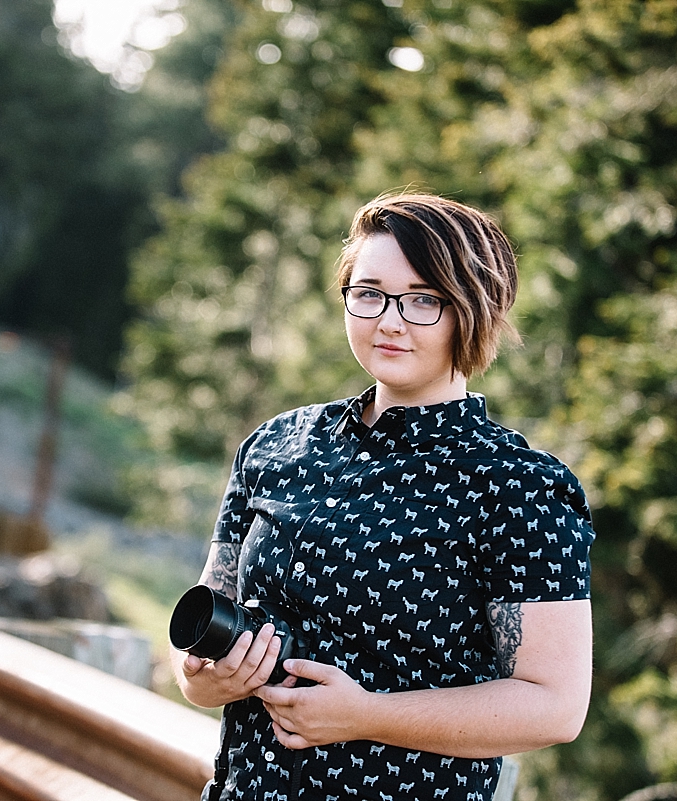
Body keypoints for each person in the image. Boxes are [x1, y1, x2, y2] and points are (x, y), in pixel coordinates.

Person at [170, 191, 595, 801]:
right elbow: (206, 634)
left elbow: (554, 707)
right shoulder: (275, 445)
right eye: (368, 293)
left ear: (475, 310)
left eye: (424, 299)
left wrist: (366, 714)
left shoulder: (520, 486)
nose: (389, 320)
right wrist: (207, 682)